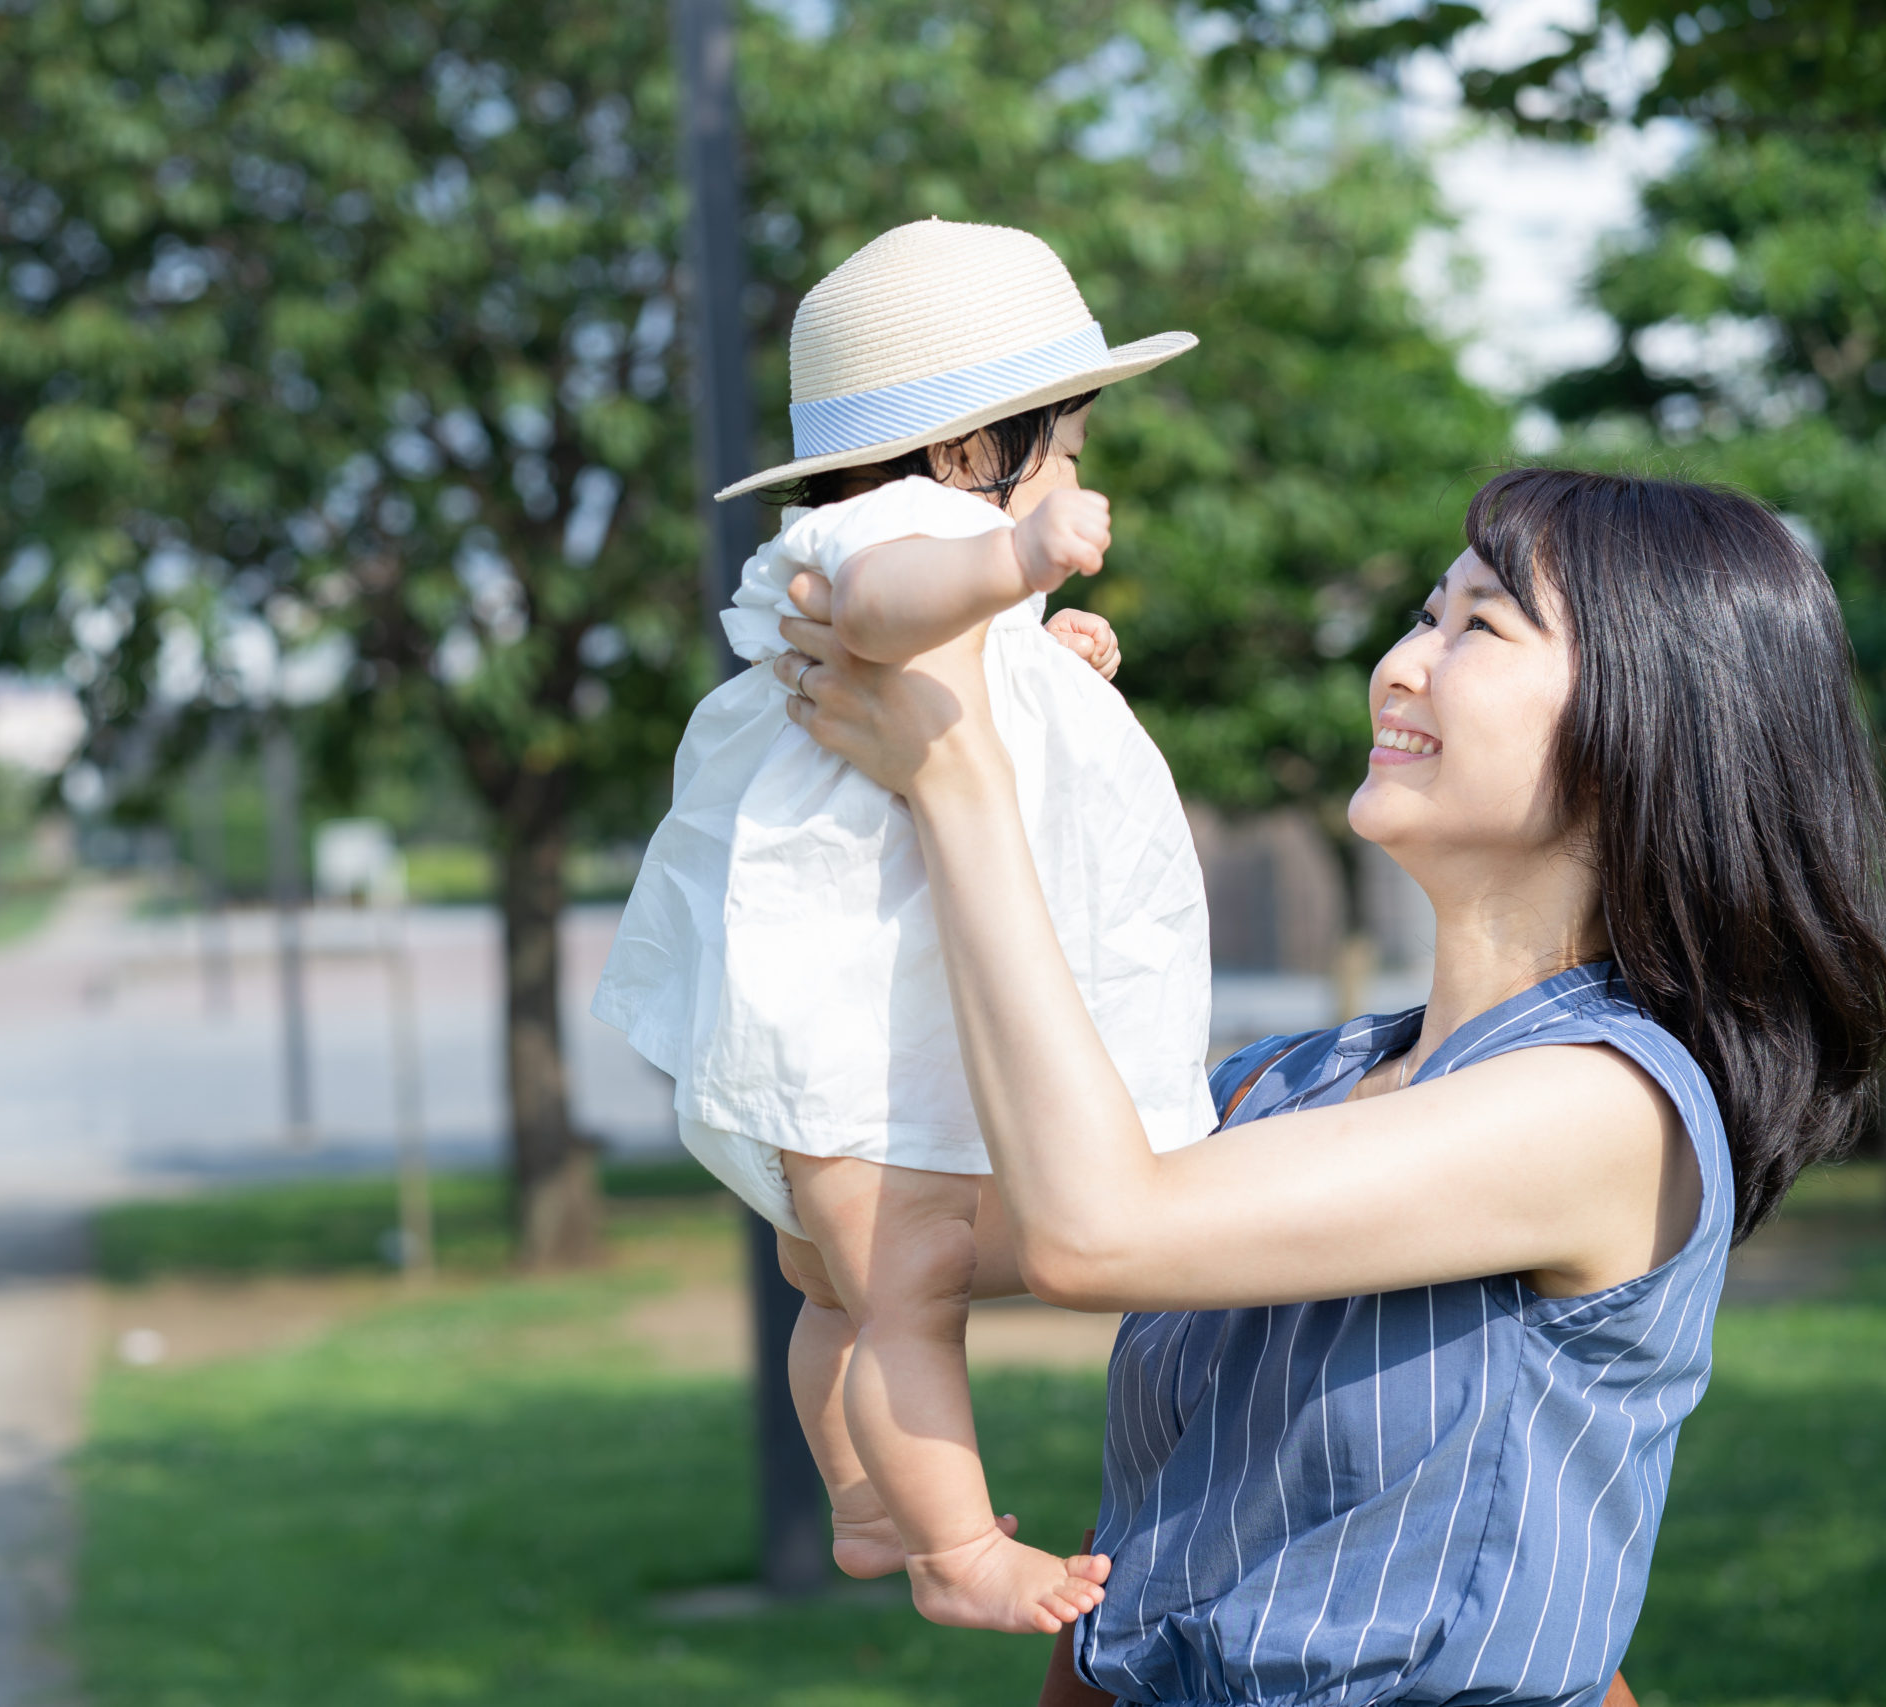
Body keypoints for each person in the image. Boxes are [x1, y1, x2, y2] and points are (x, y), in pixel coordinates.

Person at [769, 467, 1886, 1703]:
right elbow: (858, 1245)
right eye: (1423, 613)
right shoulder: (1289, 1084)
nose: (1403, 663)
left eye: (1480, 627)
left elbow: (1095, 1235)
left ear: (1651, 719)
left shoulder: (1604, 1107)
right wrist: (943, 764)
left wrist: (958, 782)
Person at [594, 218, 1215, 1633]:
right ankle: (955, 1551)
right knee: (910, 1290)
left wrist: (1036, 645)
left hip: (817, 1011)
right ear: (961, 454)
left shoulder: (943, 546)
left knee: (835, 1283)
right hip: (849, 1014)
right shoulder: (904, 537)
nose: (1072, 475)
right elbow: (884, 604)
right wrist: (1016, 567)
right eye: (1058, 446)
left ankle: (869, 1499)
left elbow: (937, 662)